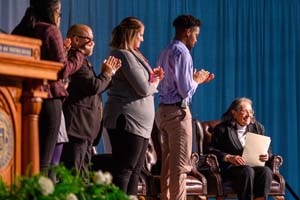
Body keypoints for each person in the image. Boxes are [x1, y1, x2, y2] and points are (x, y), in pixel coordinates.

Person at [11, 0, 87, 174]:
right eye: (59, 13)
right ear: (53, 11)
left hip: (22, 99)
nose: (59, 17)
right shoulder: (50, 30)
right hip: (48, 99)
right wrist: (79, 54)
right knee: (44, 162)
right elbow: (62, 70)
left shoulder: (21, 30)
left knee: (26, 158)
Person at [103, 17, 164, 197]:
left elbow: (145, 83)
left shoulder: (134, 55)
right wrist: (157, 80)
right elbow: (144, 88)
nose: (143, 39)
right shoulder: (122, 54)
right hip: (127, 121)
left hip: (141, 125)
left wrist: (153, 76)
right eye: (141, 35)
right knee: (125, 169)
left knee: (136, 170)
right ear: (131, 34)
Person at [155, 14, 214, 200]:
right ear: (188, 32)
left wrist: (193, 80)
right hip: (177, 114)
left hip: (162, 112)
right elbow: (185, 90)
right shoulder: (183, 53)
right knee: (180, 166)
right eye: (195, 35)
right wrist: (196, 80)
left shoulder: (165, 52)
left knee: (167, 164)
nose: (196, 40)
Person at [60, 24, 121, 178]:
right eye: (89, 40)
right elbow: (94, 86)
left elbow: (95, 88)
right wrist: (106, 74)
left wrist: (108, 75)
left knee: (83, 179)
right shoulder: (75, 61)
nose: (93, 44)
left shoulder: (83, 62)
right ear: (75, 40)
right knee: (74, 179)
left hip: (85, 131)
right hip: (77, 129)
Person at [210, 97, 273, 200]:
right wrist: (229, 157)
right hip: (231, 168)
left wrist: (267, 154)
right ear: (234, 113)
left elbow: (267, 148)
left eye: (251, 112)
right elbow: (211, 151)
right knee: (247, 171)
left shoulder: (257, 127)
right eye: (244, 111)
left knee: (266, 171)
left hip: (254, 166)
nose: (249, 115)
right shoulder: (222, 129)